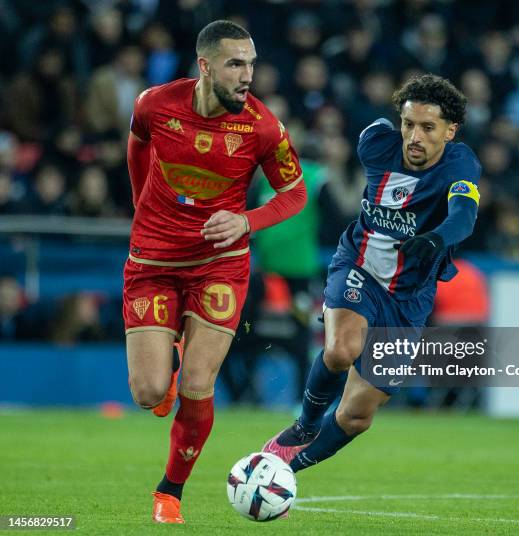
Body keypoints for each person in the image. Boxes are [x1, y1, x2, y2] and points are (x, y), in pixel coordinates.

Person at [123, 20, 306, 524]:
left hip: (218, 265)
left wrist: (246, 220)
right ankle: (168, 367)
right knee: (147, 393)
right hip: (154, 262)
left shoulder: (263, 126)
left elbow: (295, 193)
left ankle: (170, 492)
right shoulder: (155, 104)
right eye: (235, 64)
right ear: (205, 66)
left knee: (198, 385)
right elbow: (138, 144)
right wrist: (142, 203)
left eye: (251, 64)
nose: (247, 75)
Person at [263, 74, 481, 473]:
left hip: (409, 297)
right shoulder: (376, 142)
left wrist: (436, 238)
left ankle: (285, 471)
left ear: (450, 131)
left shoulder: (460, 163)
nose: (414, 136)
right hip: (358, 267)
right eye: (409, 124)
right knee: (339, 349)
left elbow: (464, 216)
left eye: (427, 128)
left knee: (357, 415)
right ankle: (303, 426)